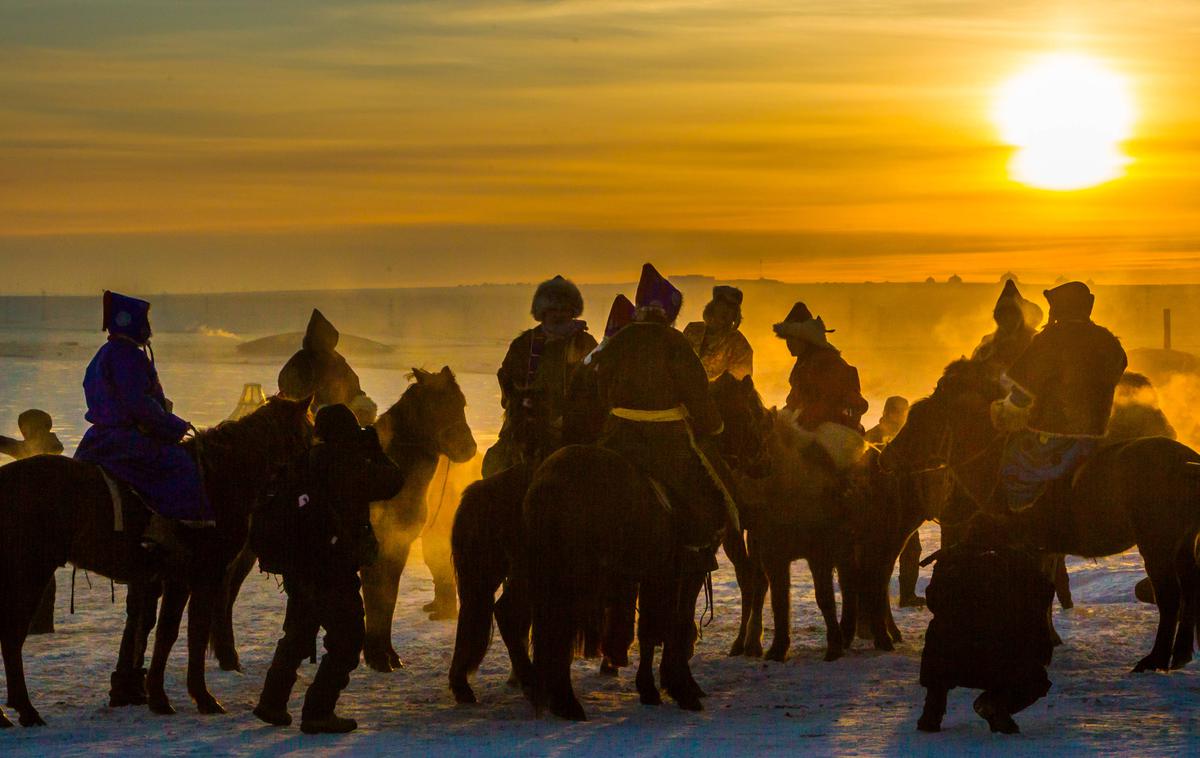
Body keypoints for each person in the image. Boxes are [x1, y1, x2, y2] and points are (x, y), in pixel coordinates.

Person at [254, 404, 404, 734]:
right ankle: (318, 712)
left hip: (299, 568)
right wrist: (376, 451)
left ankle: (272, 702)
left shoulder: (303, 461)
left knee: (297, 636)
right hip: (332, 568)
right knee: (348, 641)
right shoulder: (348, 464)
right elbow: (393, 482)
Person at [591, 263, 738, 573]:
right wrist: (715, 426)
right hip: (666, 442)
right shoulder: (677, 343)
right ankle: (697, 550)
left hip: (615, 436)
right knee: (706, 496)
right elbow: (699, 397)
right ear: (668, 313)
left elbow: (598, 389)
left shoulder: (615, 343)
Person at [74, 291, 212, 554]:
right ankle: (164, 532)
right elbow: (139, 404)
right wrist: (176, 426)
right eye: (145, 322)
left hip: (98, 438)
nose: (149, 329)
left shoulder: (105, 353)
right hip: (126, 439)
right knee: (180, 463)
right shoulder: (128, 355)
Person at [993, 282, 1127, 511]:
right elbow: (1119, 367)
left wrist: (1006, 408)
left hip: (1055, 432)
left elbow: (1025, 389)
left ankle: (1023, 525)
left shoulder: (1051, 339)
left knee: (1011, 464)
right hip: (1096, 431)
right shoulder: (1105, 339)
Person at [918, 513, 1055, 734]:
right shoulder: (1017, 561)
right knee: (1036, 680)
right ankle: (996, 703)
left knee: (940, 638)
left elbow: (933, 600)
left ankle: (932, 712)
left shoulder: (949, 558)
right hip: (999, 657)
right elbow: (1042, 595)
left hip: (948, 659)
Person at [482, 275, 597, 477]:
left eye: (564, 309)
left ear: (572, 311)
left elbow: (598, 386)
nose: (558, 315)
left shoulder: (585, 343)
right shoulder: (524, 344)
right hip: (528, 427)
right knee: (494, 466)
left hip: (577, 430)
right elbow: (507, 382)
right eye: (553, 310)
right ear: (542, 313)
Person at [775, 302, 868, 433]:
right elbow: (795, 400)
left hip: (838, 428)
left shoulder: (827, 362)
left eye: (792, 339)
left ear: (805, 338)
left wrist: (808, 417)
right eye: (787, 340)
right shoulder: (803, 364)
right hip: (809, 424)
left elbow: (832, 400)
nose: (789, 344)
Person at [866, 397, 924, 608]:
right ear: (890, 413)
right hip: (881, 504)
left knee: (912, 549)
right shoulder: (873, 436)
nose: (903, 416)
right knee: (884, 554)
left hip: (904, 503)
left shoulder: (905, 437)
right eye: (901, 412)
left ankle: (907, 594)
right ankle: (876, 599)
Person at [278, 309, 376, 425]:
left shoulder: (337, 362)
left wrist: (362, 409)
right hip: (304, 423)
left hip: (339, 423)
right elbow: (287, 391)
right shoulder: (301, 362)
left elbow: (353, 388)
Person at [971, 280, 1044, 378]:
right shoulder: (987, 344)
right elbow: (974, 374)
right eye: (1003, 314)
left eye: (1012, 313)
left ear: (1020, 316)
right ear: (997, 316)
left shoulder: (1035, 340)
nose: (1007, 318)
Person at [682, 286, 754, 381]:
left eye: (731, 307)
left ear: (735, 315)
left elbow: (739, 382)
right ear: (712, 307)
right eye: (722, 305)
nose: (725, 311)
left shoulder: (740, 345)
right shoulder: (692, 330)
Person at [0, 409, 64, 461]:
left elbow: (56, 449)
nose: (23, 431)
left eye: (25, 426)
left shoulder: (49, 440)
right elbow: (5, 443)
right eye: (21, 427)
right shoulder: (22, 448)